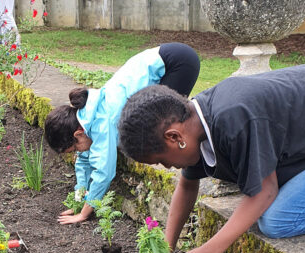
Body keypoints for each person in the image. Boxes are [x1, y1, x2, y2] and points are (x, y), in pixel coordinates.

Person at [117, 61, 305, 253]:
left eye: (161, 160)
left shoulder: (233, 117)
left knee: (279, 219)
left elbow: (265, 191)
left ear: (174, 137)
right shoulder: (195, 125)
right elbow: (187, 186)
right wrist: (166, 252)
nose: (167, 167)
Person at [44, 43, 200, 225]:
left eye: (74, 148)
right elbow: (83, 162)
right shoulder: (85, 119)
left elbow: (104, 172)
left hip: (176, 64)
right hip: (164, 56)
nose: (77, 152)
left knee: (166, 124)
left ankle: (198, 147)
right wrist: (79, 199)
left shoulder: (102, 123)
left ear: (78, 135)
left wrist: (84, 213)